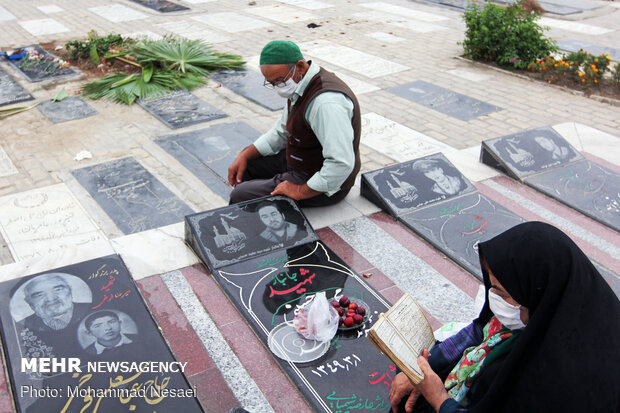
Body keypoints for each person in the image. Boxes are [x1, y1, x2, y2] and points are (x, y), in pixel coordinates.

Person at [390, 221, 620, 413]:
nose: (493, 298)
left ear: (537, 295)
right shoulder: (553, 306)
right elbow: (476, 333)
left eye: (503, 292)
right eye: (492, 286)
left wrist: (440, 398)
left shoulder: (561, 382)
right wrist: (419, 371)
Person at [228, 40, 361, 207]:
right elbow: (281, 132)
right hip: (301, 161)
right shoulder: (302, 84)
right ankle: (260, 212)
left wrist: (300, 191)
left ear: (300, 67)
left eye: (279, 81)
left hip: (322, 183)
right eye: (272, 83)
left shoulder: (326, 104)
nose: (278, 88)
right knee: (247, 164)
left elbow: (341, 163)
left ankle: (253, 220)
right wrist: (245, 155)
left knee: (241, 195)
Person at [20, 273, 89, 332]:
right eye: (39, 295)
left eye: (58, 290)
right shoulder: (25, 325)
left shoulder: (89, 309)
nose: (50, 299)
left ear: (70, 291)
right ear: (29, 301)